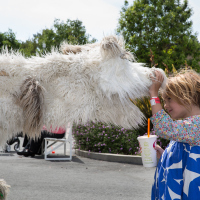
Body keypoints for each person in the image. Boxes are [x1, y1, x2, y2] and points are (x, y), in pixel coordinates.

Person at [149, 69, 200, 200]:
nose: (165, 105)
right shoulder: (187, 126)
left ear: (188, 96)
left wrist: (153, 94)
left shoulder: (197, 124)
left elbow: (164, 127)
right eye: (163, 100)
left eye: (169, 99)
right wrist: (165, 155)